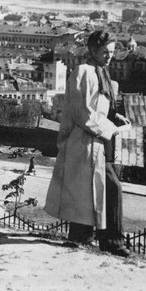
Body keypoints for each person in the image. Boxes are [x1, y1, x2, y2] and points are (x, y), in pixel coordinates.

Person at [44, 30, 131, 257]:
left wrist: (116, 117)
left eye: (111, 52)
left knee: (90, 191)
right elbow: (83, 114)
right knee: (107, 189)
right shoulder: (82, 72)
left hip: (97, 142)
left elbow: (102, 108)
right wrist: (110, 129)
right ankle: (112, 241)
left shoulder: (102, 74)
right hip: (83, 142)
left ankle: (81, 237)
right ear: (92, 50)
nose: (109, 56)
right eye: (105, 52)